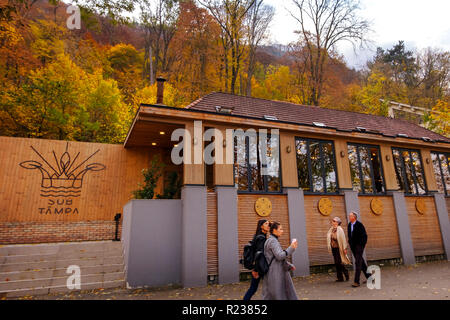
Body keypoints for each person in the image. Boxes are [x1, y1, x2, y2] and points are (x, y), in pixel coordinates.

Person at [262, 221, 298, 300]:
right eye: (281, 229)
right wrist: (291, 248)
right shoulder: (272, 241)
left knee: (272, 295)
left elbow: (276, 257)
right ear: (274, 230)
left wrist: (288, 265)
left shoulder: (271, 240)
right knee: (277, 295)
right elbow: (280, 256)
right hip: (275, 273)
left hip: (273, 271)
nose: (282, 231)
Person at [243, 219, 270, 300]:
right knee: (253, 288)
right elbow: (259, 254)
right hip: (260, 267)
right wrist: (255, 270)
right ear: (261, 226)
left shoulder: (259, 236)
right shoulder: (261, 238)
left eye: (269, 224)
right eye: (266, 224)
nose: (268, 225)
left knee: (253, 288)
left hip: (259, 266)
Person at [347, 211, 371, 287]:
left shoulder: (359, 225)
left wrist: (361, 245)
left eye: (350, 216)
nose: (349, 217)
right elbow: (350, 236)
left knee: (358, 262)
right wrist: (350, 243)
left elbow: (365, 236)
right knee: (361, 262)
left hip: (359, 246)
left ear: (354, 217)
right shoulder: (349, 225)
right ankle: (370, 278)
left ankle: (356, 281)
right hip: (353, 246)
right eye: (349, 216)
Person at [327, 217, 351, 282]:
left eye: (334, 221)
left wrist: (344, 248)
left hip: (339, 248)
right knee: (336, 263)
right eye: (332, 220)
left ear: (337, 222)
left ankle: (346, 273)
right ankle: (340, 278)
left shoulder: (340, 229)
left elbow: (343, 239)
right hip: (333, 248)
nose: (332, 222)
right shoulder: (331, 229)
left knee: (339, 262)